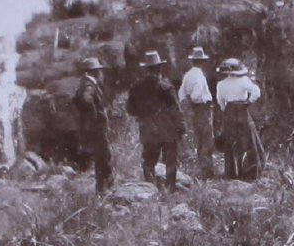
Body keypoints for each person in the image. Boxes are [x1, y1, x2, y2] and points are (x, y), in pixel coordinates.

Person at [126, 50, 186, 191]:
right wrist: (181, 127)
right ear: (159, 68)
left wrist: (143, 115)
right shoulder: (165, 87)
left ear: (146, 69)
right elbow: (176, 109)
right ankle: (170, 189)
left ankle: (149, 188)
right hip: (167, 130)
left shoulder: (136, 88)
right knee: (170, 161)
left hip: (147, 129)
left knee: (149, 161)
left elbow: (130, 109)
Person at [215, 58, 264, 181]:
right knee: (247, 140)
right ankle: (249, 172)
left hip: (228, 111)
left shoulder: (221, 84)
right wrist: (248, 102)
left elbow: (220, 102)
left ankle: (231, 173)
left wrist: (225, 109)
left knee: (230, 142)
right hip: (241, 110)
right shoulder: (243, 81)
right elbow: (256, 92)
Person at [73, 57, 114, 194]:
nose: (101, 74)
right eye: (99, 71)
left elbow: (76, 100)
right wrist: (96, 116)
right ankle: (104, 189)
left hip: (91, 128)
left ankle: (102, 188)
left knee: (101, 157)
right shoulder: (89, 85)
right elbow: (86, 100)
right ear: (95, 72)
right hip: (96, 129)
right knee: (103, 157)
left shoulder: (84, 84)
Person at [177, 47, 215, 178]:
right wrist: (194, 101)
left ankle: (202, 168)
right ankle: (207, 171)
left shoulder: (188, 75)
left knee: (198, 138)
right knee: (207, 138)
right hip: (202, 108)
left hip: (194, 109)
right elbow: (197, 95)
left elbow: (181, 94)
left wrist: (187, 106)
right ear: (202, 62)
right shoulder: (199, 76)